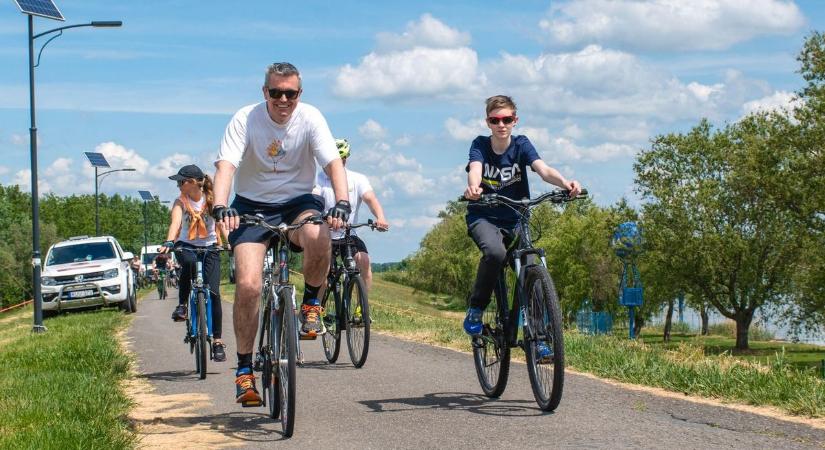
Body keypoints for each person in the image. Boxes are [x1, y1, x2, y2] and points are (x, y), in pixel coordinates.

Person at [212, 62, 350, 406]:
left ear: (299, 94)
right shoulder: (246, 118)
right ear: (265, 92)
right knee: (248, 285)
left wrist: (343, 202)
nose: (283, 99)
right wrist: (219, 206)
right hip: (251, 206)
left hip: (297, 202)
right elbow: (226, 165)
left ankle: (311, 304)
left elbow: (333, 163)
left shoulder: (311, 117)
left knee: (320, 234)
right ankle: (244, 371)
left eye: (290, 93)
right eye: (276, 92)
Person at [462, 95, 581, 361]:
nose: (501, 125)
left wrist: (566, 184)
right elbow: (476, 169)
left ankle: (539, 340)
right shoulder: (480, 145)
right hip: (484, 216)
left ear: (515, 120)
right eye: (495, 120)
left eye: (507, 119)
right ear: (488, 122)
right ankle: (476, 309)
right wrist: (474, 187)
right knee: (495, 253)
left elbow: (543, 169)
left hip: (516, 217)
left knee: (530, 264)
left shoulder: (522, 144)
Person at [159, 164, 226, 362]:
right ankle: (182, 305)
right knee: (187, 264)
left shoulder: (212, 200)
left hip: (210, 246)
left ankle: (217, 341)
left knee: (214, 293)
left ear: (192, 183)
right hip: (185, 245)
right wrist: (169, 241)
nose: (178, 185)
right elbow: (176, 223)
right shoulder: (180, 201)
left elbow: (221, 225)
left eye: (181, 181)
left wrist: (230, 243)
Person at [313, 138, 389, 291]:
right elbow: (314, 201)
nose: (339, 163)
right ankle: (316, 310)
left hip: (348, 234)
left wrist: (380, 217)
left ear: (346, 159)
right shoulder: (319, 179)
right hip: (325, 234)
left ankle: (362, 309)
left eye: (343, 159)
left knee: (365, 261)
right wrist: (322, 216)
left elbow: (370, 199)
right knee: (322, 272)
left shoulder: (358, 179)